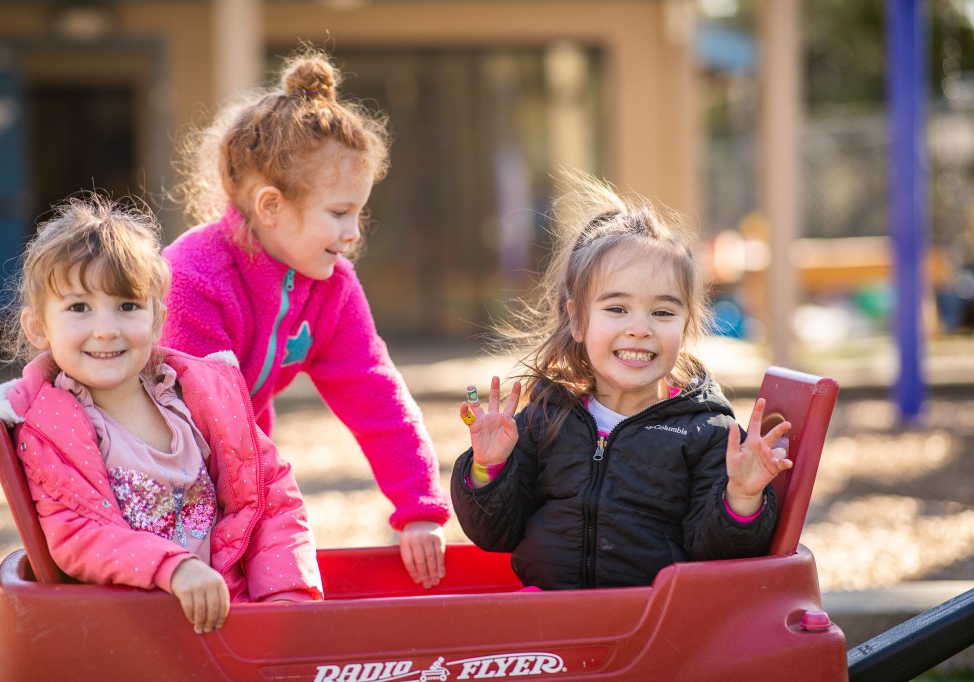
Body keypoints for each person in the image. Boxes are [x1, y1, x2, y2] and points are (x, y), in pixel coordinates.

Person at [161, 48, 450, 588]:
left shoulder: (330, 285)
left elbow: (374, 389)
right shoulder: (193, 279)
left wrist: (417, 505)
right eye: (339, 213)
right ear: (271, 206)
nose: (354, 232)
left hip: (244, 474)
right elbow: (201, 421)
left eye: (359, 212)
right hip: (159, 476)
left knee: (279, 577)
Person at [0, 196, 323, 634]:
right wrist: (174, 568)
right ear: (38, 327)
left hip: (234, 618)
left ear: (157, 318)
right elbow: (76, 534)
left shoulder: (200, 399)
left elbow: (271, 496)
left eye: (127, 306)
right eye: (79, 308)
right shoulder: (51, 429)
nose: (106, 328)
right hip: (136, 635)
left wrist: (285, 600)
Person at [451, 173, 792, 590]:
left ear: (685, 328)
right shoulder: (546, 416)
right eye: (617, 309)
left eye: (663, 313)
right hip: (547, 622)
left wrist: (741, 495)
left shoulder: (706, 432)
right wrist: (488, 467)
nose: (639, 328)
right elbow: (494, 534)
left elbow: (718, 555)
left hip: (649, 628)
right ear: (577, 319)